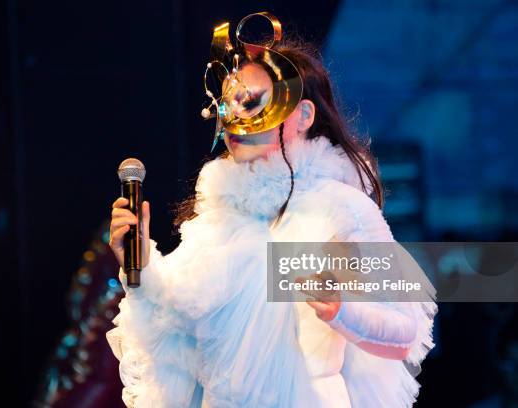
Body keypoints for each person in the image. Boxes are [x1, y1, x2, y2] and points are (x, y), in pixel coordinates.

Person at [107, 13, 436, 407]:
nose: (236, 118)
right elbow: (176, 330)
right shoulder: (217, 216)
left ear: (303, 116)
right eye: (228, 104)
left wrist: (342, 310)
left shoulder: (340, 208)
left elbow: (404, 332)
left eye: (252, 103)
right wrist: (139, 264)